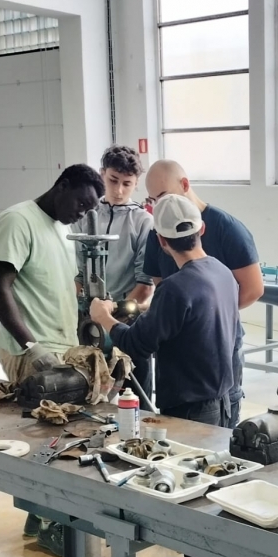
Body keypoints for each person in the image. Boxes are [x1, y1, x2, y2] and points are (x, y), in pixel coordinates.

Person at [90, 194, 239, 557]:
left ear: (159, 239)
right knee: (207, 490)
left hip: (191, 406)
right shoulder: (221, 272)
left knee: (190, 497)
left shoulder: (175, 287)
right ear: (201, 230)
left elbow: (139, 343)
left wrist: (104, 318)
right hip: (223, 398)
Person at [0, 164, 104, 555]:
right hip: (30, 351)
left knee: (58, 439)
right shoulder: (18, 221)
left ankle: (39, 516)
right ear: (62, 186)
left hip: (59, 348)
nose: (82, 213)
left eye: (89, 209)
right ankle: (52, 524)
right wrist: (31, 346)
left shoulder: (59, 229)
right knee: (48, 438)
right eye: (81, 203)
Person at [142, 159, 262, 427]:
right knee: (178, 428)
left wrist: (205, 318)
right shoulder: (157, 232)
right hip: (178, 356)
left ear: (184, 184)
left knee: (219, 423)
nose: (159, 205)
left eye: (163, 195)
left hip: (220, 346)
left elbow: (253, 288)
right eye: (153, 200)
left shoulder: (227, 229)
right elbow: (162, 288)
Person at [80, 145, 156, 403]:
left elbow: (145, 283)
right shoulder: (85, 216)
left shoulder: (143, 222)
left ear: (136, 183)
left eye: (127, 183)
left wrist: (112, 317)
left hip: (128, 321)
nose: (119, 190)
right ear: (102, 174)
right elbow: (77, 271)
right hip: (88, 319)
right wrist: (89, 312)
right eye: (113, 180)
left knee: (135, 397)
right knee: (89, 392)